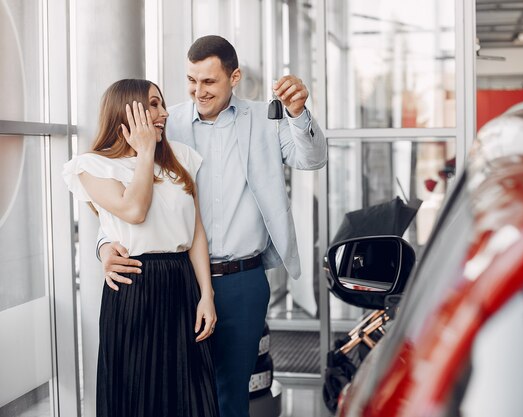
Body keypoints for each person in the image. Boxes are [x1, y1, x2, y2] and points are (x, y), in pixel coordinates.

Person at [99, 36, 327, 417]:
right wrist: (105, 247)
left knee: (230, 393)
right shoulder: (164, 123)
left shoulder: (266, 120)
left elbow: (312, 159)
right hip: (177, 279)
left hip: (243, 280)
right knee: (176, 393)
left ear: (233, 77)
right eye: (191, 80)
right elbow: (121, 185)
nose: (197, 91)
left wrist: (299, 114)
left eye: (209, 82)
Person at [63, 79, 219, 417]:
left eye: (162, 104)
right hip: (135, 284)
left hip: (181, 282)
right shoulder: (93, 166)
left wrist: (206, 294)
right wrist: (146, 151)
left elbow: (196, 233)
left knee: (191, 393)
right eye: (153, 105)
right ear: (127, 110)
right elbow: (134, 211)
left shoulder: (182, 157)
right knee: (136, 391)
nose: (164, 113)